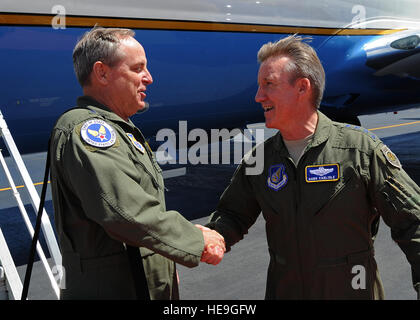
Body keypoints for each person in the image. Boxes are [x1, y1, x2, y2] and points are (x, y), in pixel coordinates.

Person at [206, 35, 420, 299]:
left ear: (302, 88)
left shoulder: (359, 150)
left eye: (268, 85)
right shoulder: (260, 160)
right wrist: (201, 240)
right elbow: (231, 216)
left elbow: (413, 222)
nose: (258, 96)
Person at [49, 27, 225, 300]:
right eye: (138, 68)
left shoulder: (120, 129)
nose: (149, 78)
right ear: (102, 73)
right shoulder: (89, 132)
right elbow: (126, 212)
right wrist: (195, 240)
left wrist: (164, 259)